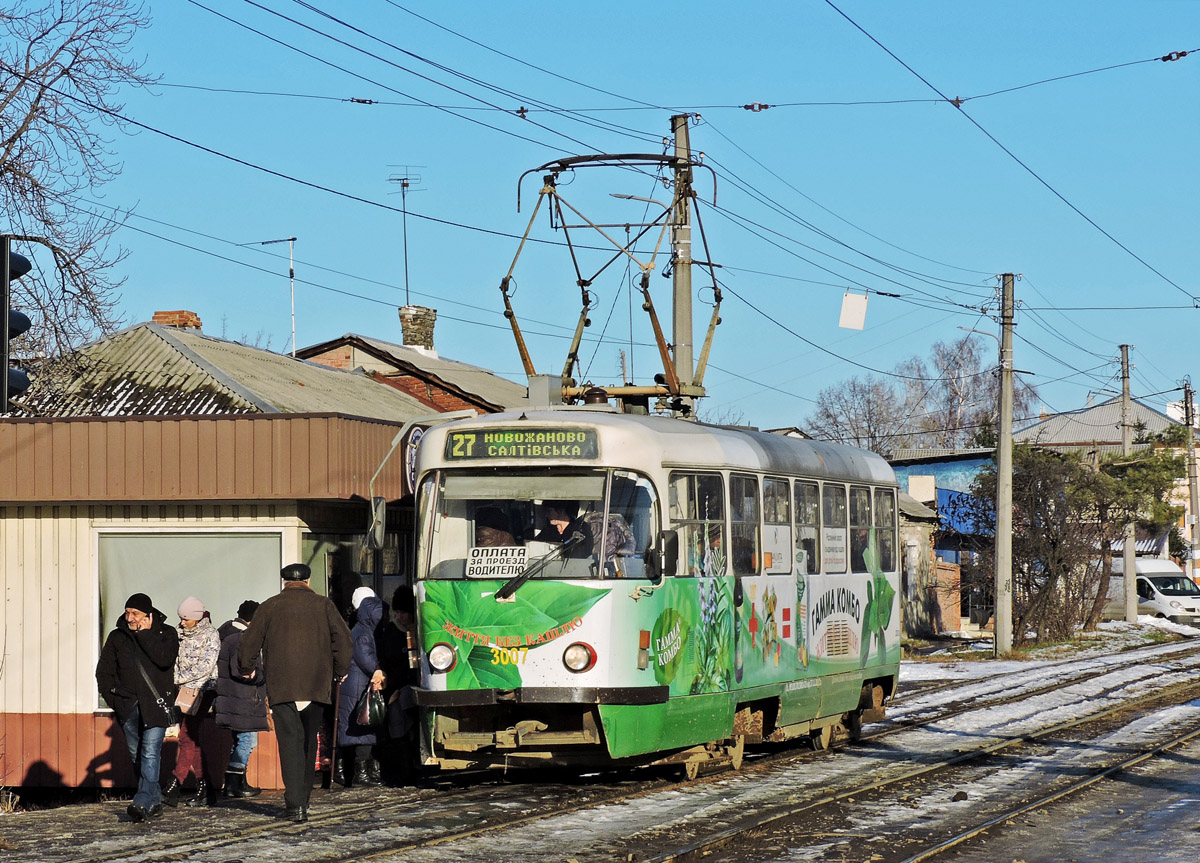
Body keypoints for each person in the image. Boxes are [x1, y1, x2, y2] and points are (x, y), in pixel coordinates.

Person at [238, 562, 351, 823]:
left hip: (282, 685)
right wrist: (340, 669)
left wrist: (247, 668)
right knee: (309, 742)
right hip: (316, 684)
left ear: (284, 582)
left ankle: (294, 804)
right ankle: (304, 799)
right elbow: (343, 639)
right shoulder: (324, 605)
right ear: (308, 581)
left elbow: (250, 640)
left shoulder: (269, 606)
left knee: (289, 743)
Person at [96, 592, 179, 823]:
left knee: (150, 752)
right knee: (137, 756)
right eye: (127, 612)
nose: (130, 617)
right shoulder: (117, 637)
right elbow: (103, 672)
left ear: (148, 615)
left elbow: (164, 660)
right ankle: (153, 801)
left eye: (136, 613)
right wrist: (115, 700)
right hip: (127, 706)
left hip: (156, 705)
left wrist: (145, 635)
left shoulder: (166, 634)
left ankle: (142, 799)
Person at [163, 596, 220, 807]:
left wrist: (178, 678)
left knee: (187, 735)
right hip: (184, 691)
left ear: (196, 618)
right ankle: (204, 787)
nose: (182, 622)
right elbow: (174, 660)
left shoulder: (211, 636)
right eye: (181, 618)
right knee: (191, 737)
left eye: (186, 619)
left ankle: (174, 783)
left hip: (203, 690)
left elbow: (205, 666)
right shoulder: (179, 634)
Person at [214, 600, 268, 799]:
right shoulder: (241, 638)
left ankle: (235, 782)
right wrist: (261, 676)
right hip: (243, 698)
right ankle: (235, 784)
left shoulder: (225, 632)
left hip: (232, 699)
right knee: (247, 740)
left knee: (240, 740)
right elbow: (244, 671)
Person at [335, 586, 386, 788]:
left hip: (355, 685)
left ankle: (353, 771)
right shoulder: (364, 633)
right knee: (363, 729)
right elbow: (366, 659)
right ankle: (360, 774)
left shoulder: (359, 629)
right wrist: (380, 669)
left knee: (359, 729)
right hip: (360, 686)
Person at [376, 586, 419, 784]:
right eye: (398, 612)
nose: (401, 617)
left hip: (413, 690)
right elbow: (387, 663)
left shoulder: (420, 631)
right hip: (396, 691)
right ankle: (403, 771)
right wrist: (392, 689)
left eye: (404, 612)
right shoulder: (391, 633)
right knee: (398, 731)